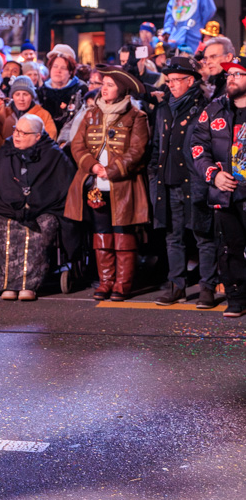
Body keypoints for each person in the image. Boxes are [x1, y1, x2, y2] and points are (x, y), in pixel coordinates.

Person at [0, 115, 76, 301]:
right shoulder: (5, 152)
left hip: (42, 210)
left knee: (42, 226)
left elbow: (60, 190)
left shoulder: (53, 156)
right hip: (6, 208)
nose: (17, 136)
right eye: (16, 130)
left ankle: (28, 285)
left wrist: (32, 205)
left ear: (38, 136)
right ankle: (5, 283)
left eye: (24, 133)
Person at [65, 66, 149, 301]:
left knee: (123, 234)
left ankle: (122, 284)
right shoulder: (91, 114)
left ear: (121, 89)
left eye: (110, 85)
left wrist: (111, 170)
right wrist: (93, 167)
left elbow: (137, 151)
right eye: (103, 84)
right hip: (95, 185)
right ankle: (105, 282)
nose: (104, 88)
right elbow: (77, 145)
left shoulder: (136, 116)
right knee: (101, 233)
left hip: (124, 186)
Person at [147, 56, 216, 306]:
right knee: (172, 236)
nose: (171, 85)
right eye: (169, 80)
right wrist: (154, 174)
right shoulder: (164, 108)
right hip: (168, 182)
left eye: (176, 80)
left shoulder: (206, 106)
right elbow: (157, 145)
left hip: (195, 182)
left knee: (203, 235)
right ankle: (177, 285)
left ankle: (207, 287)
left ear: (190, 80)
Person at [191, 53, 246, 318]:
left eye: (238, 74)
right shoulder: (214, 109)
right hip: (226, 192)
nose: (231, 79)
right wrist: (213, 175)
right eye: (229, 74)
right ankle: (236, 298)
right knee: (229, 248)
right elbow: (198, 147)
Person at [38, 44, 88, 141]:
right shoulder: (41, 91)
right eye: (55, 66)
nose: (58, 71)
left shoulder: (80, 90)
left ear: (70, 72)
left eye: (63, 68)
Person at [3, 76, 57, 140]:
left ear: (32, 97)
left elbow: (50, 139)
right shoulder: (4, 113)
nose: (21, 99)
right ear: (12, 97)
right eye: (17, 94)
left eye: (25, 94)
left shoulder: (43, 115)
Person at [200, 35, 235, 101]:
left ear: (228, 57)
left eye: (213, 57)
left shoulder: (237, 84)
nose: (208, 62)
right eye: (206, 58)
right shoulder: (217, 82)